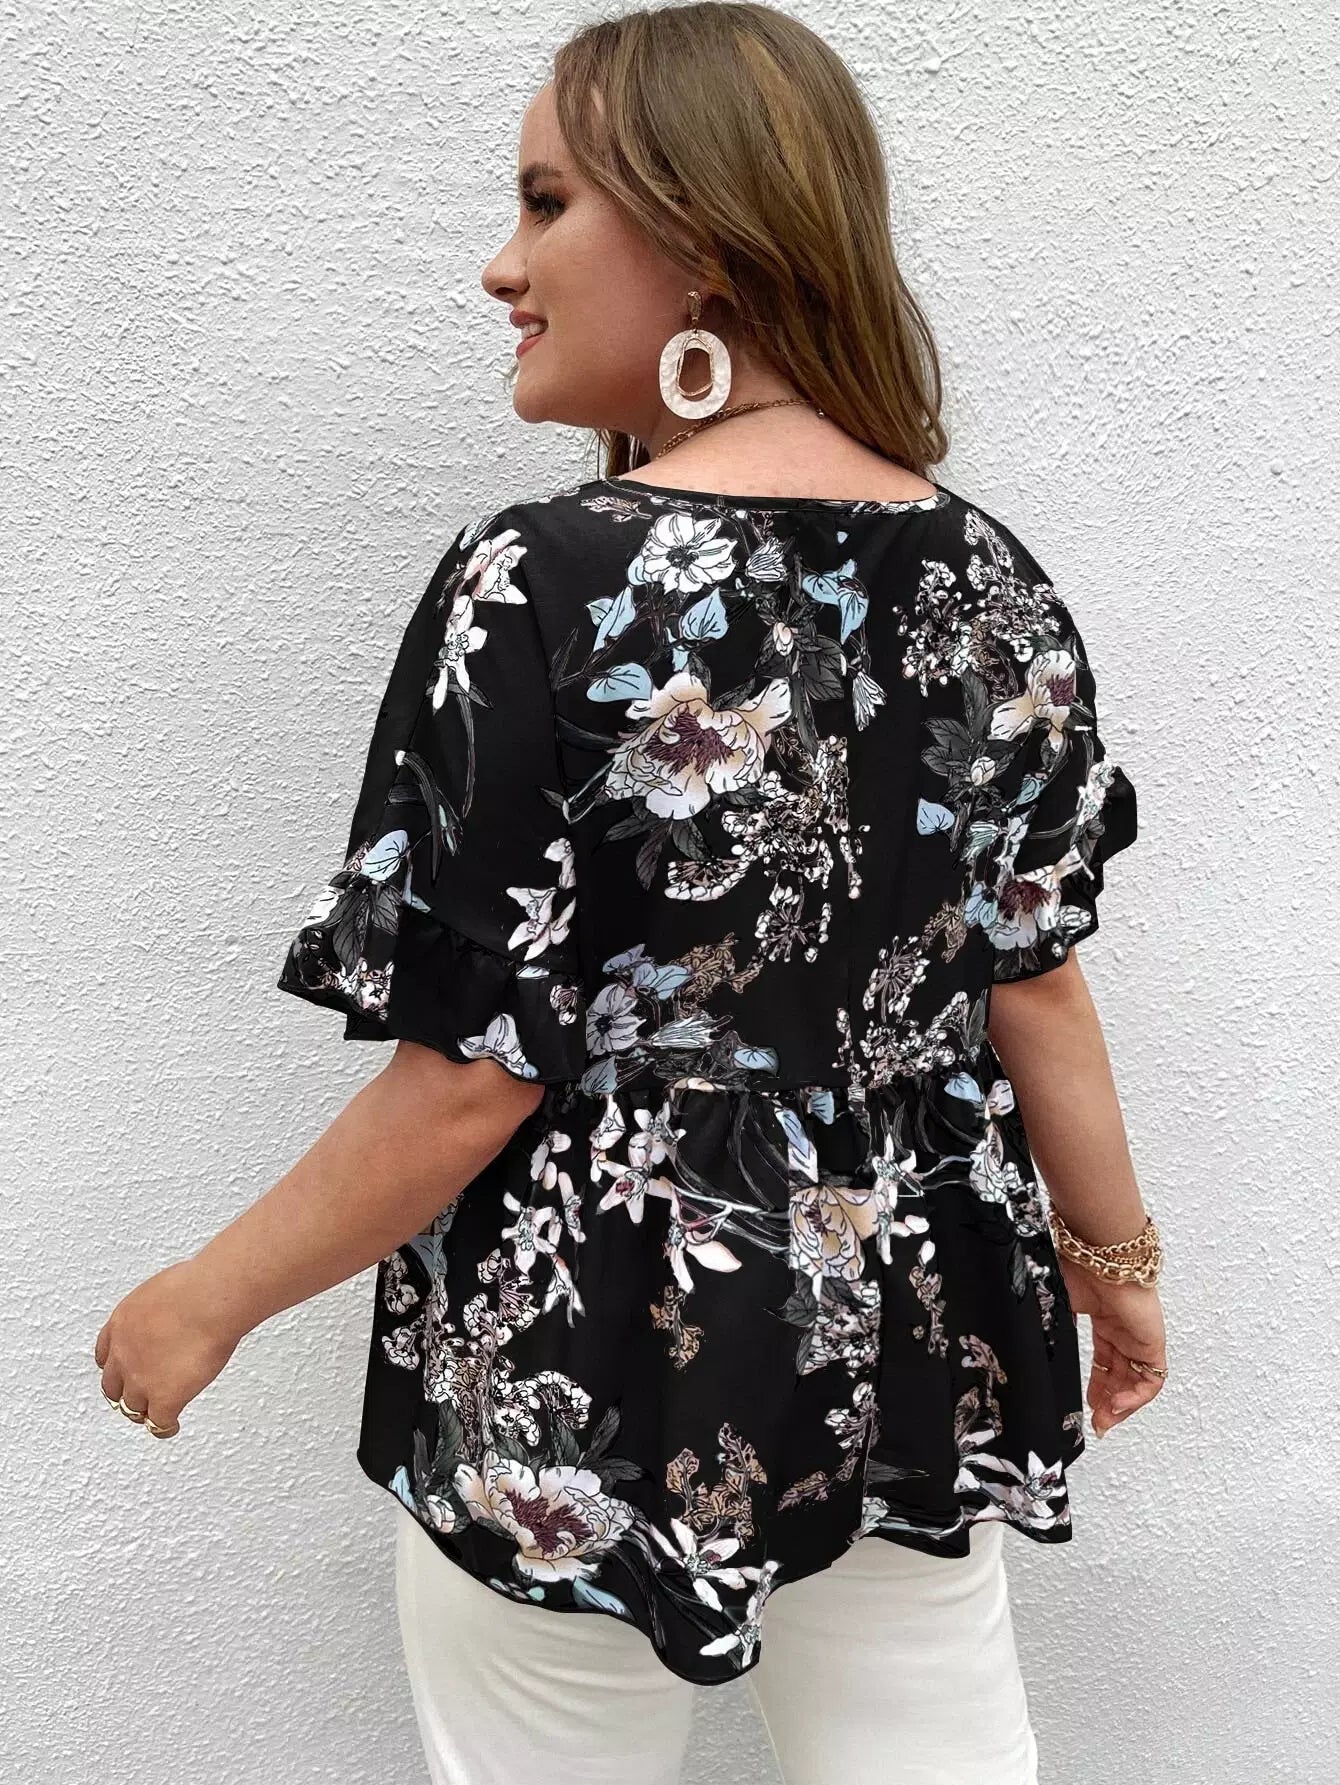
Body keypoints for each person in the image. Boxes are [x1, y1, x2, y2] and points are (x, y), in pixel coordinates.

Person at [93, 5, 1168, 1781]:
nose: (500, 267)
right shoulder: (990, 577)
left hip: (579, 1370)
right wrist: (1117, 1274)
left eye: (545, 203)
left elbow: (474, 1076)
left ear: (704, 240)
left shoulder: (539, 580)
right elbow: (1035, 980)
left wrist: (206, 1295)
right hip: (901, 1349)